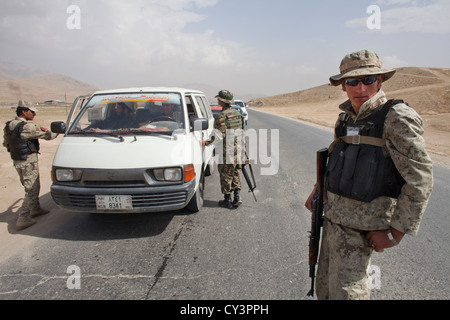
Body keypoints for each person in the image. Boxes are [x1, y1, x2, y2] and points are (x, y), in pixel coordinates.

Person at [304, 50, 433, 300]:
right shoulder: (345, 118)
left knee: (347, 294)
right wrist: (318, 190)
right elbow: (336, 162)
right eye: (352, 81)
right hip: (332, 223)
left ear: (380, 81)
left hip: (361, 232)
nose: (360, 87)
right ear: (343, 85)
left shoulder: (395, 117)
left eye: (368, 79)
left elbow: (420, 179)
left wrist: (395, 233)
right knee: (325, 291)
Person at [3, 101, 59, 230]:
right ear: (24, 111)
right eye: (32, 111)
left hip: (17, 161)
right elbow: (49, 136)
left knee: (31, 185)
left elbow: (5, 144)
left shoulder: (9, 125)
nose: (34, 114)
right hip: (28, 161)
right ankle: (23, 218)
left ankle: (35, 208)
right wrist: (59, 130)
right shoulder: (26, 127)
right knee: (31, 189)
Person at [203, 90, 244, 209]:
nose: (217, 101)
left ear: (223, 101)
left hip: (229, 149)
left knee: (225, 173)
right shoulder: (237, 113)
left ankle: (227, 200)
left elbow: (220, 135)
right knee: (236, 171)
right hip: (239, 147)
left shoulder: (222, 116)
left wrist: (206, 143)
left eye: (219, 99)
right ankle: (237, 197)